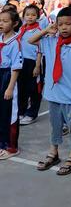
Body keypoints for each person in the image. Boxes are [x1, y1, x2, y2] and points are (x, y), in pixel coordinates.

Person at [30, 7, 71, 175]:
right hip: (54, 92)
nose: (64, 28)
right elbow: (31, 41)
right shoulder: (51, 41)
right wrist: (47, 29)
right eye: (60, 24)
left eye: (68, 24)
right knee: (55, 125)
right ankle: (53, 151)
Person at [0, 9, 23, 159]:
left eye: (5, 21)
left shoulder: (15, 43)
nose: (1, 23)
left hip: (8, 76)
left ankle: (11, 146)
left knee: (10, 112)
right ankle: (1, 143)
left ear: (14, 23)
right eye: (0, 20)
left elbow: (16, 67)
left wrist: (10, 87)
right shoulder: (1, 38)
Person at [17, 4, 43, 125]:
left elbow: (40, 51)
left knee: (33, 90)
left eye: (33, 15)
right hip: (22, 61)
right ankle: (21, 111)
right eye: (27, 15)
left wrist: (37, 66)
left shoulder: (38, 31)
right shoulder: (22, 29)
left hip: (33, 62)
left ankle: (32, 113)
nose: (30, 17)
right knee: (22, 88)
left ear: (38, 16)